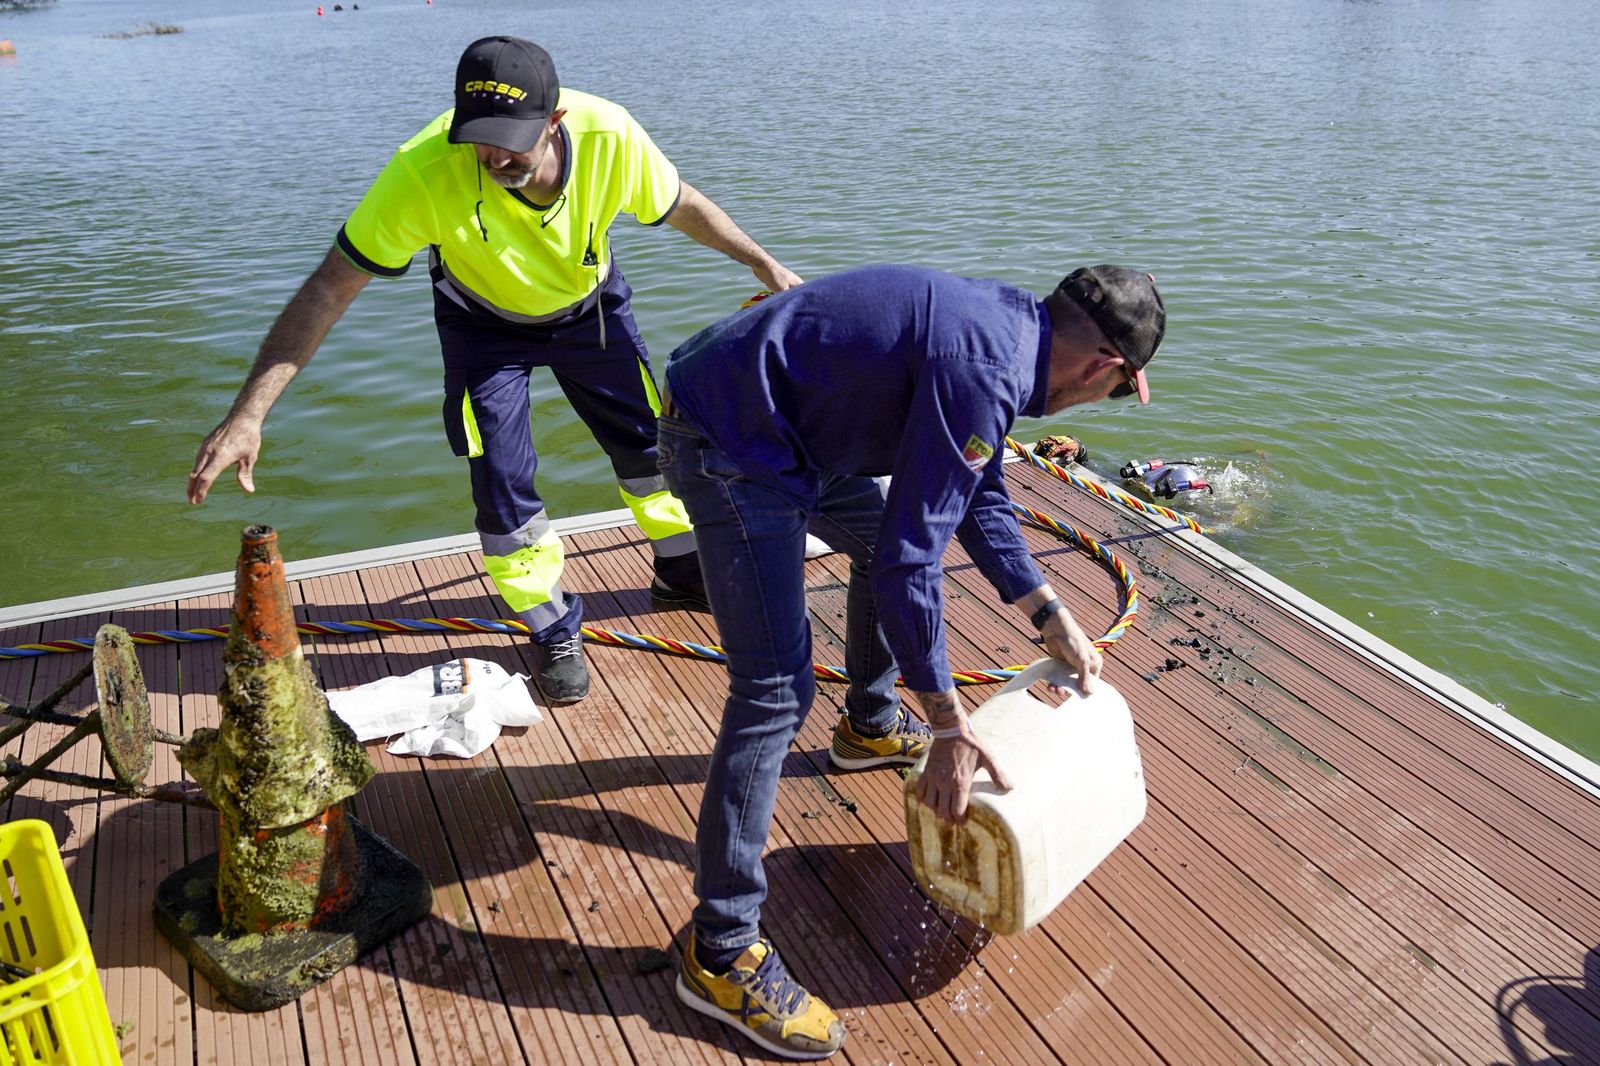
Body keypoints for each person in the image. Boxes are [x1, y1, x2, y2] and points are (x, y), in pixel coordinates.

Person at [186, 36, 801, 703]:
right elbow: (330, 287)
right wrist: (249, 413)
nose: (493, 156)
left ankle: (681, 567)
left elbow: (680, 203)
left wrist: (762, 263)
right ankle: (549, 623)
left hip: (587, 305)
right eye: (479, 138)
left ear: (556, 120)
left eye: (512, 138)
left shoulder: (612, 135)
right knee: (503, 486)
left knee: (653, 448)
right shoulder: (422, 172)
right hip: (481, 326)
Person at [656, 263, 1165, 1059]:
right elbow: (909, 561)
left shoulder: (1007, 333)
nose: (1097, 401)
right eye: (1113, 391)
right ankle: (719, 953)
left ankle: (865, 725)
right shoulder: (986, 365)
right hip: (730, 435)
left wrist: (1046, 609)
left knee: (880, 538)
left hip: (791, 426)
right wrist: (949, 722)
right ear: (1106, 367)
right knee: (773, 692)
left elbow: (977, 490)